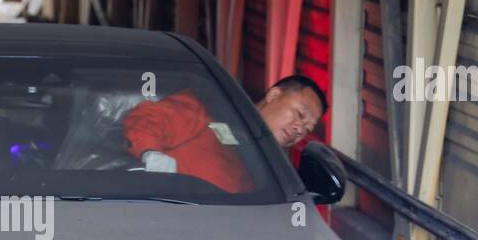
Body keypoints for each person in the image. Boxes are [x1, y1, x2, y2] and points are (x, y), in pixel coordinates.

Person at [121, 74, 327, 190]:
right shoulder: (211, 110)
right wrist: (150, 152)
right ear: (274, 95)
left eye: (307, 128)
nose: (299, 128)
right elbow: (147, 118)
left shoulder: (275, 174)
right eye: (300, 114)